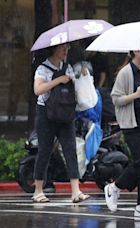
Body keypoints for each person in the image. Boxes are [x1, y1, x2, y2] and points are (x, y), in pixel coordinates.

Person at [104, 50, 140, 218]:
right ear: (136, 51)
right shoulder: (125, 72)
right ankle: (114, 187)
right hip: (132, 122)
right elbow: (116, 99)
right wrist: (135, 95)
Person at [32, 43, 90, 203]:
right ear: (54, 49)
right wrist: (58, 80)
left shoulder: (68, 67)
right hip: (46, 114)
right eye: (62, 48)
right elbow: (38, 90)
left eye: (67, 48)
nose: (65, 51)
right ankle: (38, 191)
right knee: (44, 150)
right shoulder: (43, 68)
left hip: (65, 113)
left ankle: (76, 191)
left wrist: (81, 78)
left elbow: (75, 89)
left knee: (70, 150)